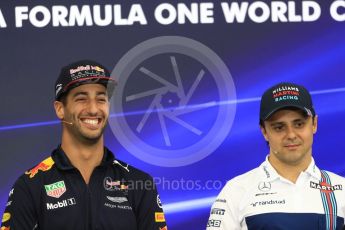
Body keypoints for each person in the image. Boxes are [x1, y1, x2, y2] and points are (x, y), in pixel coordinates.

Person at [1, 60, 167, 230]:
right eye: (81, 98)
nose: (94, 109)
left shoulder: (138, 183)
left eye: (101, 99)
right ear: (60, 109)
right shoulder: (31, 186)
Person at [207, 82, 345, 229]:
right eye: (279, 127)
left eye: (299, 124)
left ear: (314, 124)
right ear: (264, 131)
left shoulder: (341, 189)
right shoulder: (236, 190)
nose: (291, 135)